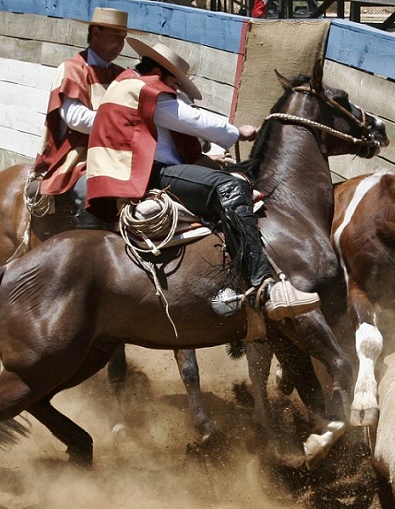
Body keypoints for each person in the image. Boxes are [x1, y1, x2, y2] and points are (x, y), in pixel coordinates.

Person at [85, 38, 321, 321]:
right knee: (231, 186)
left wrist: (207, 159)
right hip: (147, 175)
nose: (175, 91)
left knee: (225, 180)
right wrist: (236, 131)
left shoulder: (127, 85)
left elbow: (163, 140)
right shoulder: (148, 90)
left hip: (131, 173)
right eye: (175, 84)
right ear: (161, 74)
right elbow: (190, 119)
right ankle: (263, 286)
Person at [33, 8, 143, 196]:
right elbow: (76, 119)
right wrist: (120, 123)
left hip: (114, 152)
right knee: (92, 191)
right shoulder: (72, 69)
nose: (120, 45)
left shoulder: (121, 74)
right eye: (115, 37)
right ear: (96, 33)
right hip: (77, 155)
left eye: (123, 39)